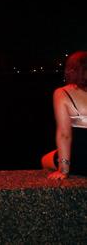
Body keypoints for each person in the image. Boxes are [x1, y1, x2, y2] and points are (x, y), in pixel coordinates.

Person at [42, 51, 87, 179]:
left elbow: (64, 135)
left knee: (45, 160)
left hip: (81, 162)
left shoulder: (62, 93)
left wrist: (64, 170)